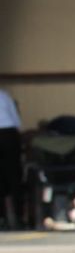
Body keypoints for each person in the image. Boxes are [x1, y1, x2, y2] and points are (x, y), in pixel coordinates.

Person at [0, 88, 24, 230]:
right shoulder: (4, 95)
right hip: (9, 134)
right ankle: (19, 218)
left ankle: (2, 218)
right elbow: (16, 120)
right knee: (14, 176)